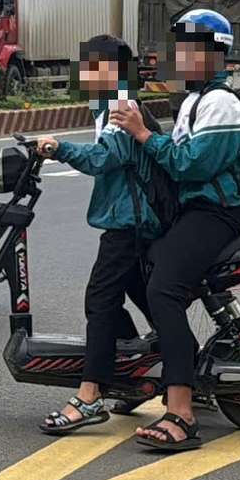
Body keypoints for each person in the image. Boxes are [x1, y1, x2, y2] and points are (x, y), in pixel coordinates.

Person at [108, 8, 240, 452]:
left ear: (211, 53)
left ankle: (182, 412)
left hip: (214, 213)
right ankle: (179, 361)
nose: (176, 55)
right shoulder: (195, 99)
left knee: (164, 291)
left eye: (185, 48)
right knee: (133, 268)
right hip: (192, 211)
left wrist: (143, 135)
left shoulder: (221, 102)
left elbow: (193, 165)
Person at [34, 36, 159, 434]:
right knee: (146, 298)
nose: (83, 76)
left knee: (100, 300)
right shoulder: (111, 107)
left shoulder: (122, 108)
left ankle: (91, 393)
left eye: (90, 69)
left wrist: (59, 148)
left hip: (130, 223)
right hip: (135, 220)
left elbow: (103, 158)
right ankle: (152, 369)